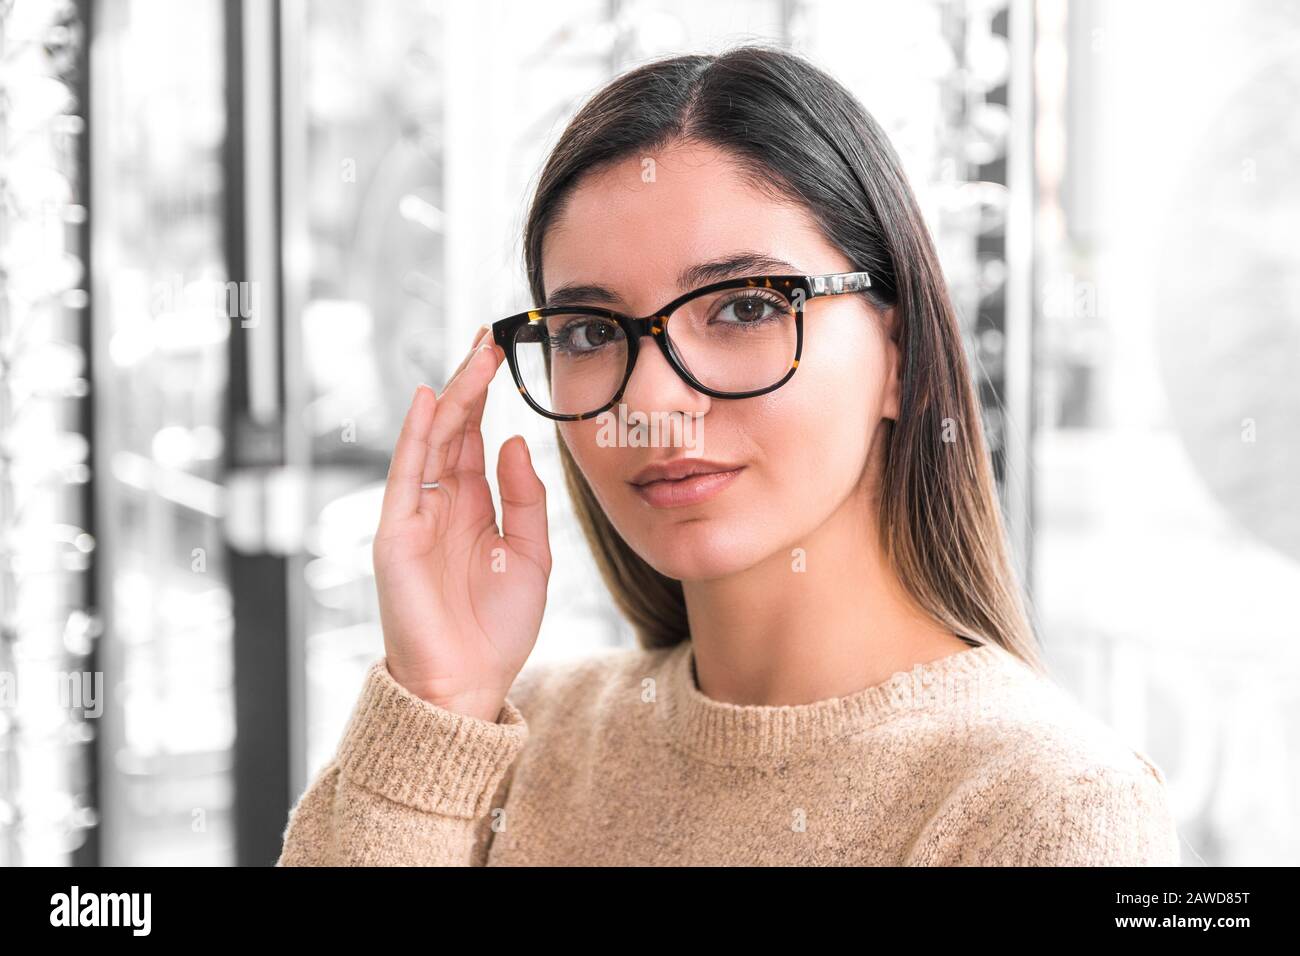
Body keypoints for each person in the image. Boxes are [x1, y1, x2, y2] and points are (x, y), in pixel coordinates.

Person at [276, 44, 1180, 866]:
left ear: (898, 358)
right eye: (592, 330)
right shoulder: (506, 743)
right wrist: (435, 701)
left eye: (745, 306)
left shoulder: (1047, 806)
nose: (650, 401)